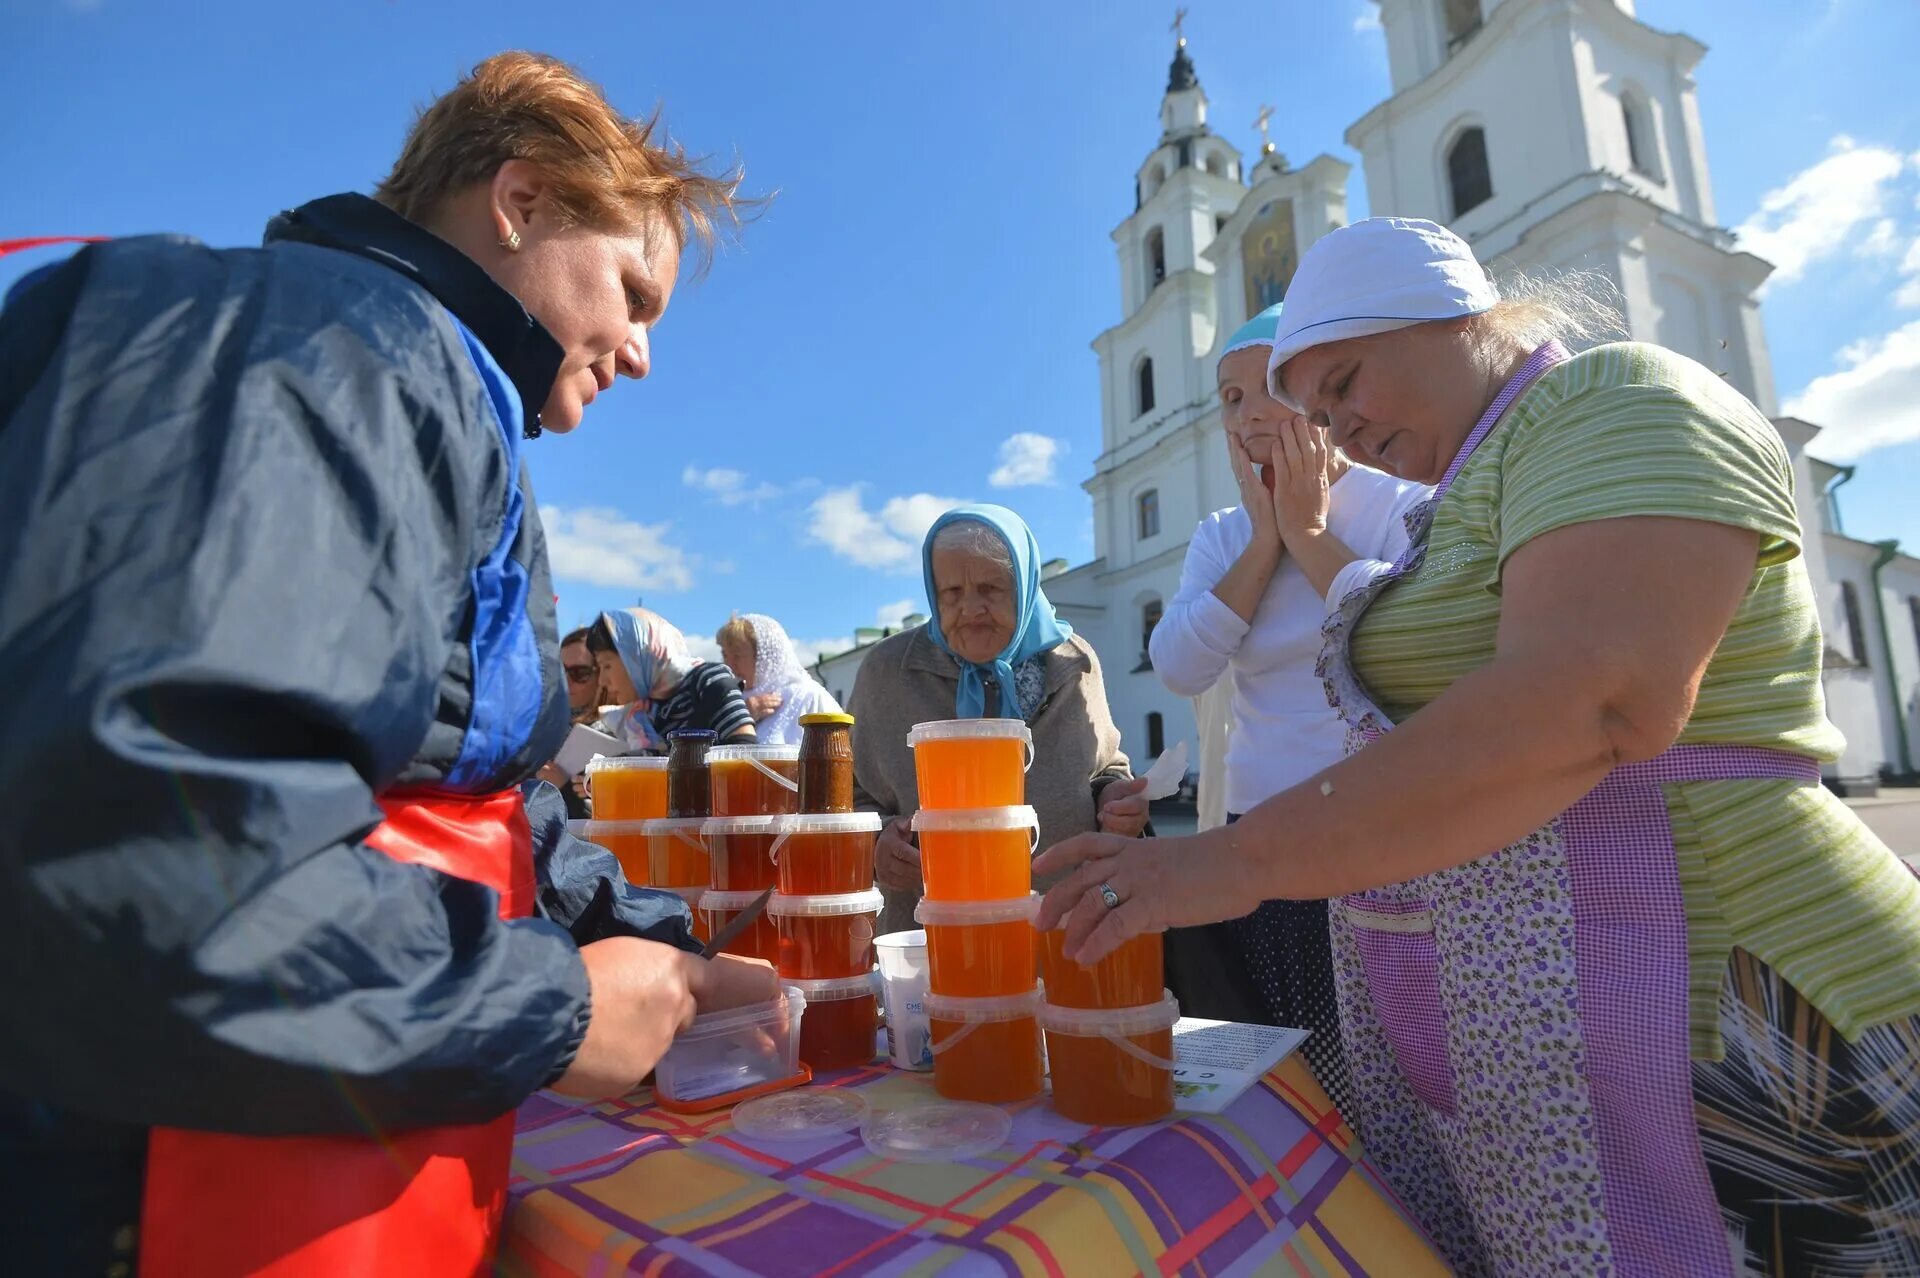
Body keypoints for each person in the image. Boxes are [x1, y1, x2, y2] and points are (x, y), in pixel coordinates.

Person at [0, 52, 777, 1275]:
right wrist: (558, 1009)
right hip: (135, 1198)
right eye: (634, 291)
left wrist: (670, 952)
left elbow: (482, 802)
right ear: (519, 202)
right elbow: (153, 858)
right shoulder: (324, 355)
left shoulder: (410, 385)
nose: (639, 353)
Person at [1036, 217, 1920, 1277]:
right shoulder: (1457, 500)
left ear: (1455, 315)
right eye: (1317, 412)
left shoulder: (1613, 398)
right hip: (1581, 1030)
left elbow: (1589, 702)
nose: (1340, 428)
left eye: (1348, 381)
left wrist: (1215, 866)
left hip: (1738, 1018)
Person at [1150, 301, 1428, 1105]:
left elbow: (1404, 645)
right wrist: (1265, 539)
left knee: (1373, 1074)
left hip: (1376, 832)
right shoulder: (1221, 535)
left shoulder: (1396, 503)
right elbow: (1177, 666)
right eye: (1228, 400)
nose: (1244, 416)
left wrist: (1305, 532)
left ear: (1313, 394)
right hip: (1256, 832)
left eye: (1262, 389)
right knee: (1268, 1063)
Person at [849, 505, 1147, 935]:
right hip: (934, 941)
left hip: (1065, 932)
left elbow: (1106, 768)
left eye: (990, 588)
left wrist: (1116, 800)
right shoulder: (888, 673)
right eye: (951, 592)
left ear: (1024, 587)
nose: (971, 608)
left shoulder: (1074, 662)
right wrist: (876, 846)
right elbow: (848, 799)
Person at [589, 606, 755, 749]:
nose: (602, 681)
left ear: (636, 657)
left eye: (607, 666)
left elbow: (746, 756)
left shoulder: (708, 681)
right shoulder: (644, 712)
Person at [716, 612, 843, 746]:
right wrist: (739, 717)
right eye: (725, 655)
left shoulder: (810, 697)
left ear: (766, 657)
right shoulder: (731, 699)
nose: (729, 664)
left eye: (737, 655)